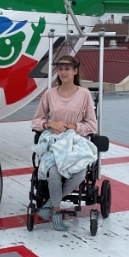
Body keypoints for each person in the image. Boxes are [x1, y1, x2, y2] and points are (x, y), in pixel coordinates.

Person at [31, 55, 98, 231]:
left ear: (75, 71)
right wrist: (49, 124)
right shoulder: (49, 94)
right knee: (53, 172)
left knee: (80, 174)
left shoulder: (84, 94)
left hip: (75, 143)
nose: (63, 72)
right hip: (54, 142)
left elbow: (92, 125)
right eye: (60, 69)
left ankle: (47, 204)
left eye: (67, 68)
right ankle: (56, 211)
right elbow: (36, 121)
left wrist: (73, 126)